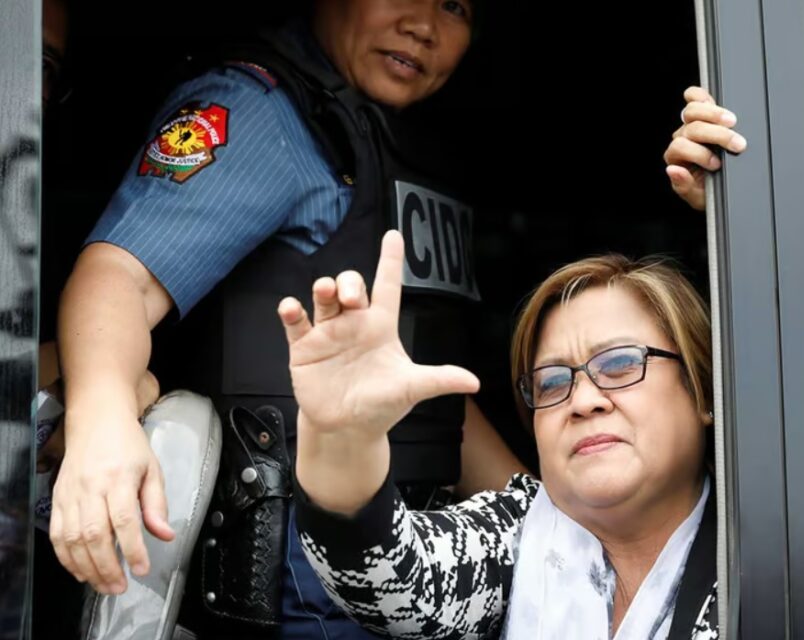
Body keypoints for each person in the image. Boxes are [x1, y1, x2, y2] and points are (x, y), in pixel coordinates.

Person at [50, 1, 526, 637]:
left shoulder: (405, 147)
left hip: (417, 557)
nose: (424, 25)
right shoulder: (261, 112)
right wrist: (100, 422)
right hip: (286, 576)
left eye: (456, 6)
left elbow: (421, 389)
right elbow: (119, 277)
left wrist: (552, 513)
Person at [284, 231, 719, 638]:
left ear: (703, 391)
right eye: (552, 382)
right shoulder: (515, 529)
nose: (584, 401)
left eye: (620, 363)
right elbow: (384, 575)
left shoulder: (768, 540)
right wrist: (343, 437)